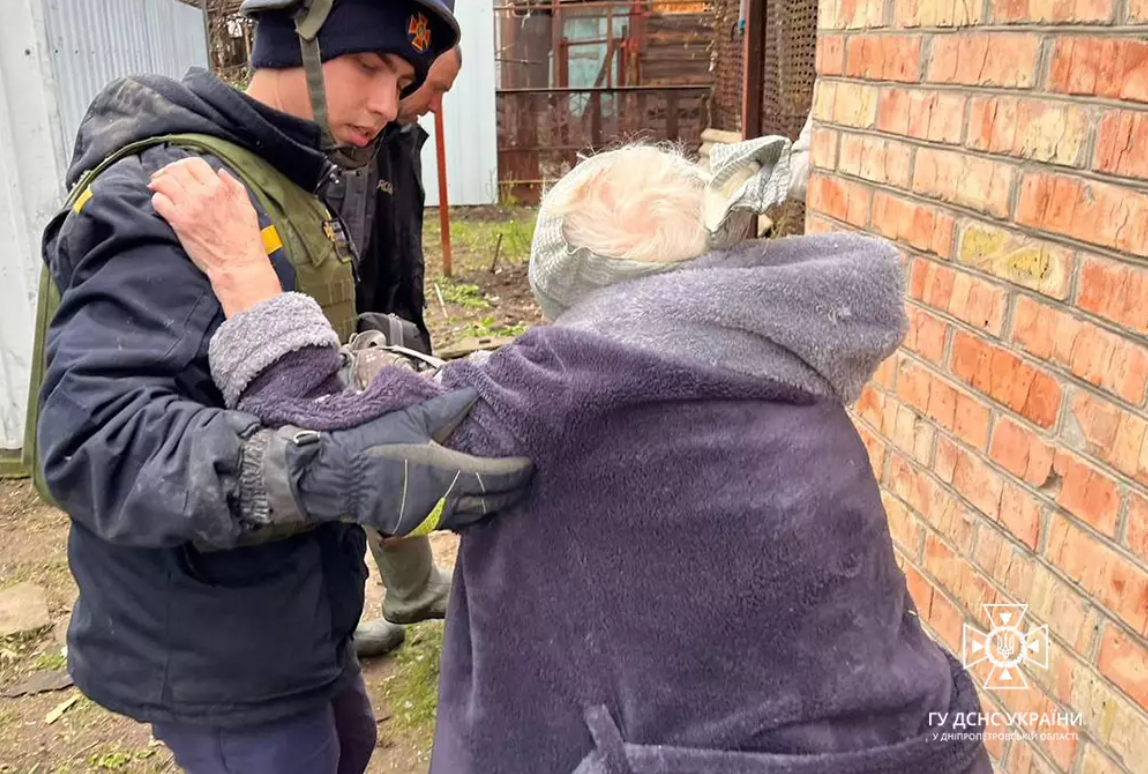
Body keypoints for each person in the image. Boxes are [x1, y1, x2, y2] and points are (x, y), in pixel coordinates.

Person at [148, 137, 994, 774]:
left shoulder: (572, 381)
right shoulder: (779, 344)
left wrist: (241, 271)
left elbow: (337, 444)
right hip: (913, 740)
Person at [31, 0, 532, 774]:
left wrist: (363, 358)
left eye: (406, 76)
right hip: (213, 632)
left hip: (293, 600)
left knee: (353, 744)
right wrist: (311, 468)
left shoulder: (290, 175)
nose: (389, 101)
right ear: (291, 32)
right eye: (371, 62)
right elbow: (88, 439)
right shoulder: (174, 188)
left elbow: (249, 363)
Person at [352, 44, 463, 659]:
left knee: (391, 451)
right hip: (347, 323)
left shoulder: (400, 138)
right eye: (434, 89)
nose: (434, 104)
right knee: (344, 463)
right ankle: (338, 622)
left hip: (389, 315)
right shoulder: (352, 142)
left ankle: (413, 587)